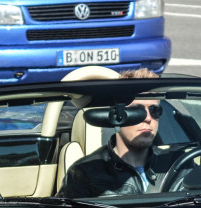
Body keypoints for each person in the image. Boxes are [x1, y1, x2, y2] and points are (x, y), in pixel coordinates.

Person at [59, 69, 171, 198]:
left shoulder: (178, 163)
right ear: (116, 116)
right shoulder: (84, 173)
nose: (147, 118)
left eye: (155, 110)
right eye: (136, 110)